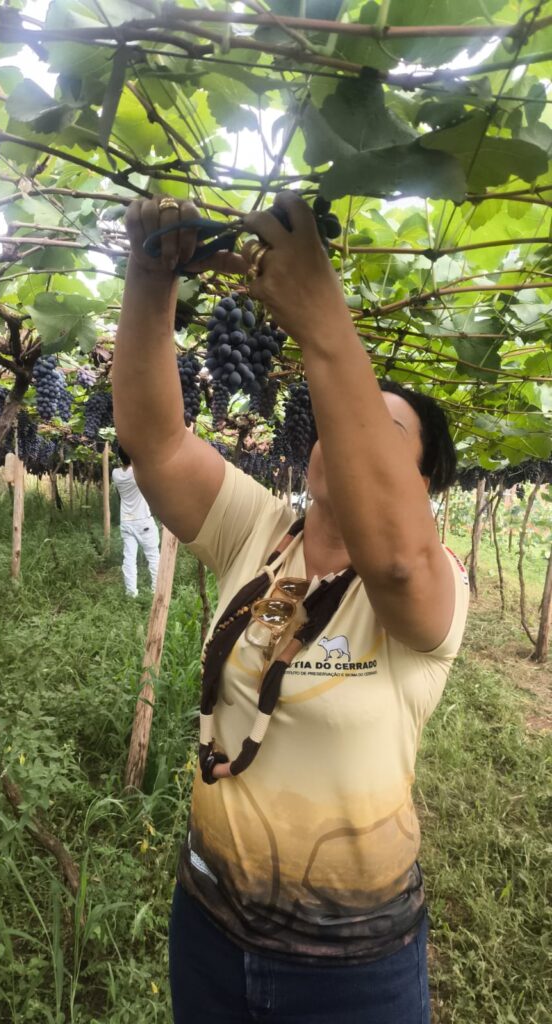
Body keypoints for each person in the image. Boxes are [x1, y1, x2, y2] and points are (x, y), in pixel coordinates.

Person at [112, 193, 469, 1024]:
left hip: (351, 971)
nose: (342, 438)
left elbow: (398, 559)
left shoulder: (430, 583)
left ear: (418, 489)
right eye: (340, 422)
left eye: (379, 434)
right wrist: (150, 278)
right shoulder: (263, 532)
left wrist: (325, 325)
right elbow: (156, 441)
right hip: (207, 925)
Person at [111, 445, 160, 597]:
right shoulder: (138, 472)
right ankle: (156, 590)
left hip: (126, 521)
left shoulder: (115, 474)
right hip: (142, 521)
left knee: (129, 558)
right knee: (153, 556)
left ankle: (131, 593)